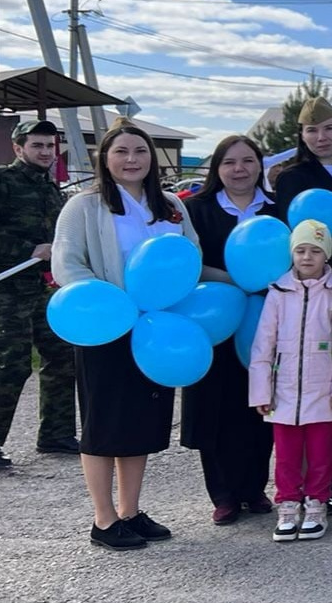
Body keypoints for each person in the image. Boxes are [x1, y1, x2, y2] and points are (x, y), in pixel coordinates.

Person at [52, 119, 211, 550]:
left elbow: (189, 257)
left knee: (139, 422)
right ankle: (103, 520)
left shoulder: (173, 205)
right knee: (104, 422)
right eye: (121, 151)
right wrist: (115, 304)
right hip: (105, 326)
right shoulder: (84, 206)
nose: (131, 159)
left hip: (156, 329)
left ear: (151, 158)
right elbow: (69, 265)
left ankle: (130, 511)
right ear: (105, 158)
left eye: (139, 151)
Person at [181, 135, 278, 525]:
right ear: (216, 168)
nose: (239, 169)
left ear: (260, 165)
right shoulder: (195, 210)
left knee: (262, 404)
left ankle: (254, 488)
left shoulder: (278, 210)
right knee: (216, 406)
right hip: (213, 319)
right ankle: (222, 494)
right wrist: (238, 280)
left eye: (248, 160)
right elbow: (187, 263)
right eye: (230, 162)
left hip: (267, 320)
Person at [249, 219, 332, 542]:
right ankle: (288, 504)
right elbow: (264, 345)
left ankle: (317, 503)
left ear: (327, 257)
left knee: (321, 453)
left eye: (315, 251)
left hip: (323, 390)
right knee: (287, 455)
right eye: (301, 250)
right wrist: (262, 390)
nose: (307, 257)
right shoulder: (278, 292)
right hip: (284, 392)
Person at [0, 118, 74, 469]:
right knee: (10, 366)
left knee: (63, 355)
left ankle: (55, 434)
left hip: (42, 288)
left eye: (49, 145)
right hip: (6, 290)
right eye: (37, 145)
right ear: (18, 148)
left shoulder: (51, 188)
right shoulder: (2, 181)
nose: (45, 152)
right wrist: (29, 249)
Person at [272, 96, 332, 215]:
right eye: (312, 130)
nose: (321, 137)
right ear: (302, 136)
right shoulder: (292, 178)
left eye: (329, 128)